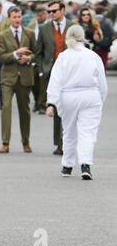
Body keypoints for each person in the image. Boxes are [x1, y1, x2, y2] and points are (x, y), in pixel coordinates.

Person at [46, 25, 107, 180]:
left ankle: (67, 165)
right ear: (83, 37)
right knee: (88, 132)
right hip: (90, 95)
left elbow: (55, 80)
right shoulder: (92, 56)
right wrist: (101, 99)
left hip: (69, 96)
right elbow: (102, 83)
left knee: (69, 132)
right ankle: (86, 164)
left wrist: (51, 102)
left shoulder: (64, 56)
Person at [35, 0, 74, 155]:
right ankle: (60, 143)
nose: (50, 14)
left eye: (53, 11)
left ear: (62, 10)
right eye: (48, 12)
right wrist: (41, 70)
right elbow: (38, 52)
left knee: (70, 107)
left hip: (71, 73)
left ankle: (69, 141)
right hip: (51, 72)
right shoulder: (44, 28)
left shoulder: (73, 26)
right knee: (56, 106)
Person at [0, 6, 36, 154]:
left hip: (25, 76)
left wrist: (28, 58)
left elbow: (36, 53)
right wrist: (16, 53)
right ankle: (5, 143)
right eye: (14, 17)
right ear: (9, 18)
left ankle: (26, 142)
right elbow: (1, 57)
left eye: (19, 16)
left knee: (24, 110)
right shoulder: (2, 35)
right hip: (8, 77)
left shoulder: (30, 33)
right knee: (6, 107)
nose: (17, 19)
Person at [28, 4, 49, 113]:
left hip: (44, 58)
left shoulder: (49, 26)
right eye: (38, 15)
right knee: (33, 83)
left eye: (42, 15)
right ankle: (37, 101)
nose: (40, 17)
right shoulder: (32, 25)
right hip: (33, 56)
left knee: (43, 82)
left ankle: (42, 105)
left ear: (46, 15)